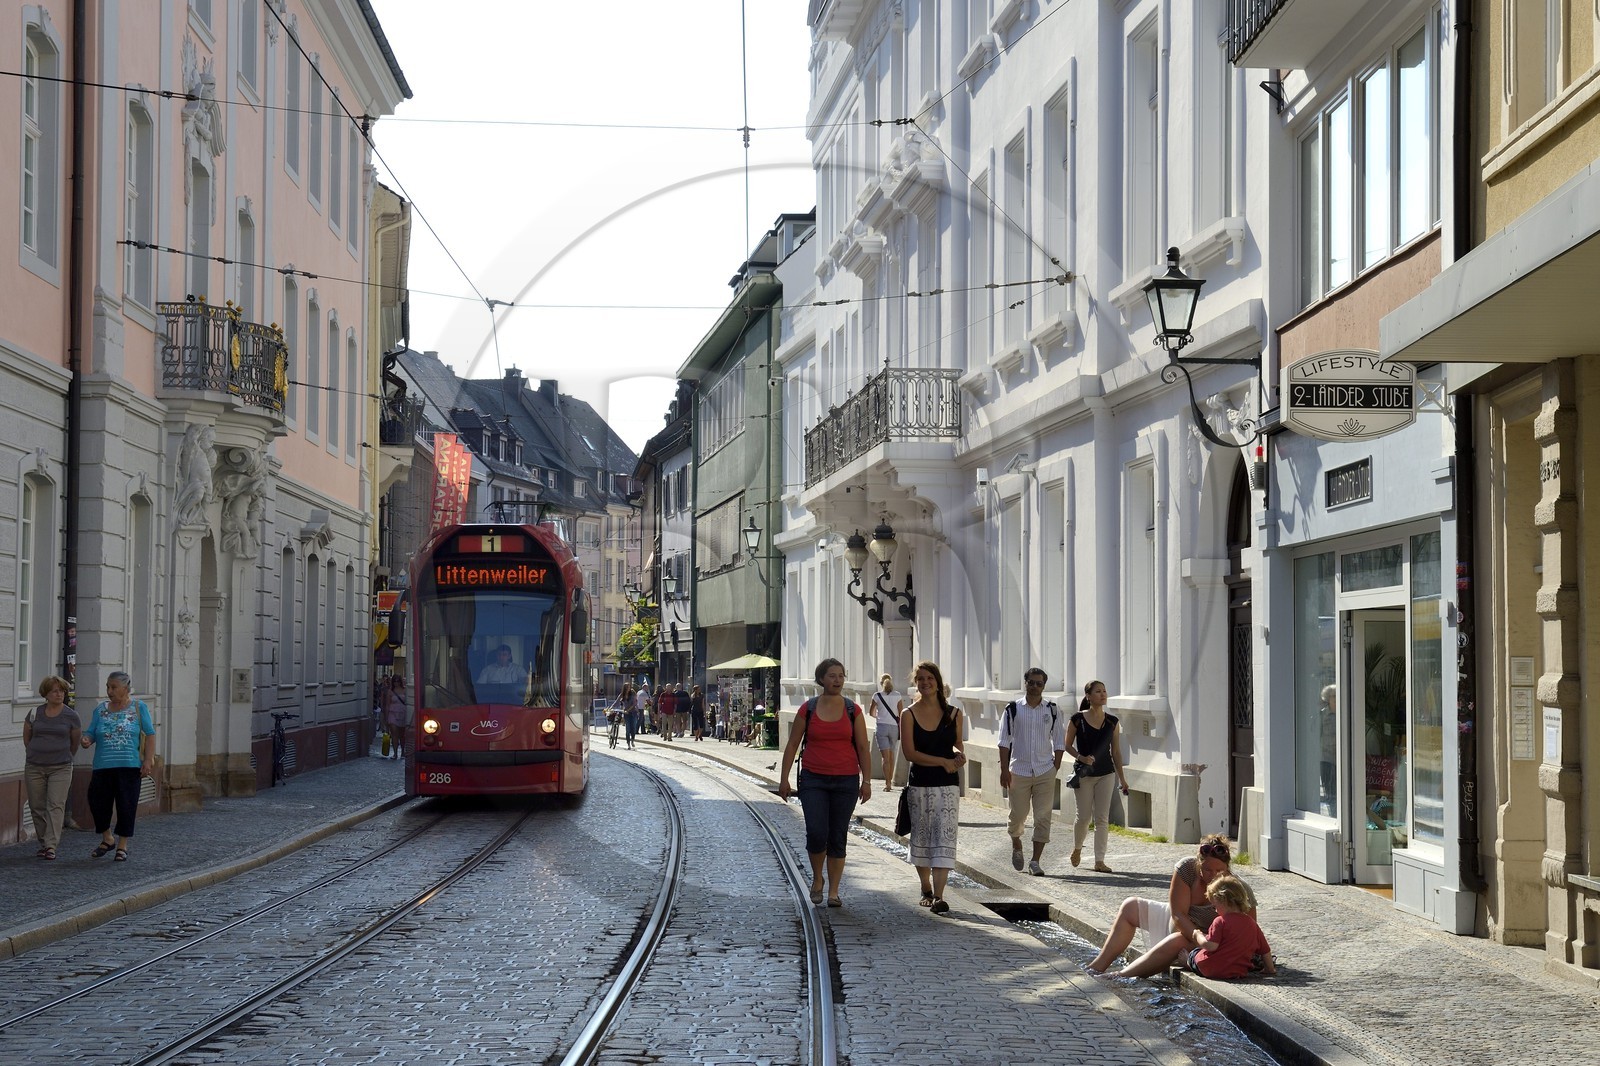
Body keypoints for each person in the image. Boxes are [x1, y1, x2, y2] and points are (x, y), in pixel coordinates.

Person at [777, 659, 872, 907]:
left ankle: (834, 891)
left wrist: (867, 781)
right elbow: (792, 745)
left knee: (838, 836)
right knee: (817, 833)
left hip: (846, 781)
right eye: (832, 676)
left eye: (841, 675)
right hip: (814, 779)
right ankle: (818, 878)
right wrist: (784, 778)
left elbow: (863, 746)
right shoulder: (807, 709)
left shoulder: (853, 710)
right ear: (821, 679)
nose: (837, 680)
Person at [1086, 834, 1245, 973]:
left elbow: (1247, 928)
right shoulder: (1186, 868)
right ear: (1199, 863)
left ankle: (1121, 976)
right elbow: (1178, 915)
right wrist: (1196, 934)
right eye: (1208, 870)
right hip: (1178, 924)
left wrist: (1204, 941)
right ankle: (1097, 967)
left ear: (1228, 869)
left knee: (1179, 941)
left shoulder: (1236, 887)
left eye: (1219, 871)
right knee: (1130, 907)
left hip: (1201, 940)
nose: (1213, 876)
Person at [1106, 875, 1274, 979]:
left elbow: (1211, 946)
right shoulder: (1251, 923)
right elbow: (1265, 950)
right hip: (1238, 971)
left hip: (1211, 970)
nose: (1215, 910)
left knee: (1195, 954)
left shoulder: (1220, 922)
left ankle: (1187, 962)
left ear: (1223, 901)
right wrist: (1269, 970)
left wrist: (1200, 936)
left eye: (1215, 906)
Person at [902, 660, 965, 915]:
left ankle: (939, 896)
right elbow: (909, 753)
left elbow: (958, 743)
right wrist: (942, 761)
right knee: (923, 838)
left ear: (938, 682)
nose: (925, 683)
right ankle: (925, 886)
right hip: (920, 785)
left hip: (948, 785)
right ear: (916, 683)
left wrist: (960, 755)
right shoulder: (908, 714)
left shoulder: (954, 714)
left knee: (945, 837)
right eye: (920, 679)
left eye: (929, 678)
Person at [80, 671, 156, 862]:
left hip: (129, 766)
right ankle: (107, 838)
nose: (109, 691)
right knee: (97, 803)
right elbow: (91, 731)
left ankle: (122, 845)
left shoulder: (139, 707)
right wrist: (87, 739)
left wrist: (148, 760)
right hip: (103, 766)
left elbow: (150, 733)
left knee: (126, 806)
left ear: (126, 688)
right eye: (108, 686)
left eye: (113, 687)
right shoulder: (100, 709)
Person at [998, 667, 1066, 876]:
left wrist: (1055, 767)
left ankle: (1035, 861)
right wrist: (1004, 770)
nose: (1035, 686)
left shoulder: (1052, 710)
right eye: (1032, 682)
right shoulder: (1013, 709)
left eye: (1039, 683)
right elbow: (1003, 742)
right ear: (1025, 683)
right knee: (1018, 815)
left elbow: (1059, 740)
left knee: (1043, 817)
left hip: (1045, 769)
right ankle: (1016, 842)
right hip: (1019, 770)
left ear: (1044, 686)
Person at [1065, 680, 1129, 872]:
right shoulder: (1077, 719)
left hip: (1106, 774)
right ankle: (1077, 848)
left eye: (1104, 691)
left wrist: (1123, 779)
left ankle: (1099, 861)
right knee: (1084, 817)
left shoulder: (1112, 722)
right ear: (1088, 696)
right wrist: (1081, 757)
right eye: (1098, 691)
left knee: (1102, 818)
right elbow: (1067, 745)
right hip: (1084, 774)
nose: (1103, 694)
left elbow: (1116, 752)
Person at [23, 675, 82, 860]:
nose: (60, 694)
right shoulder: (35, 713)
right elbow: (27, 737)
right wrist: (36, 752)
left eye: (62, 690)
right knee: (36, 806)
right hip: (35, 766)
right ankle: (43, 841)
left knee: (55, 805)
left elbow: (75, 742)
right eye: (55, 691)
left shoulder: (71, 716)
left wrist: (65, 755)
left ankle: (51, 846)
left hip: (61, 767)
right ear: (46, 694)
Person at [870, 673, 904, 793]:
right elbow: (901, 713)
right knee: (891, 754)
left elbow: (871, 712)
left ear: (881, 683)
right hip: (894, 727)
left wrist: (879, 717)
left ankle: (888, 783)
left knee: (885, 758)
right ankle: (891, 780)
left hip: (881, 727)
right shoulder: (898, 695)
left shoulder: (877, 695)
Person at [382, 676, 409, 759]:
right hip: (392, 714)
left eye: (397, 681)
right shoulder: (390, 691)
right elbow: (387, 705)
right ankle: (395, 753)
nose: (396, 683)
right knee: (394, 734)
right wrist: (386, 717)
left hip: (403, 714)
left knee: (402, 735)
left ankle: (403, 751)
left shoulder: (405, 690)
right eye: (394, 681)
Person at [622, 685, 640, 750]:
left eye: (628, 687)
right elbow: (617, 701)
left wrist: (628, 710)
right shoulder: (623, 695)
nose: (628, 689)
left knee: (633, 728)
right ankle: (628, 743)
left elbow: (634, 704)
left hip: (633, 713)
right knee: (627, 729)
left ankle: (632, 740)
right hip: (626, 714)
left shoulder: (632, 694)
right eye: (626, 688)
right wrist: (610, 708)